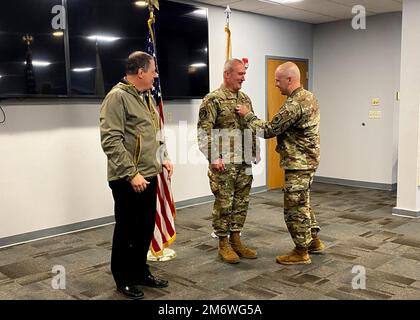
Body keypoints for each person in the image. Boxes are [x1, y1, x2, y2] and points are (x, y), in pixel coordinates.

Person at [100, 51, 173, 299]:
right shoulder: (117, 97)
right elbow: (111, 141)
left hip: (148, 175)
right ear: (140, 72)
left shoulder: (145, 97)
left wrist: (164, 158)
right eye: (153, 70)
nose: (156, 75)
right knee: (127, 230)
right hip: (127, 179)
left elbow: (153, 133)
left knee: (144, 228)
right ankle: (123, 278)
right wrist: (132, 174)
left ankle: (140, 271)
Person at [236, 61, 324, 265]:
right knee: (303, 202)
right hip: (308, 161)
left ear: (290, 80)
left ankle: (301, 252)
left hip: (298, 163)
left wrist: (247, 114)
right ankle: (313, 241)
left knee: (294, 208)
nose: (275, 84)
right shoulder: (308, 96)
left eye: (278, 80)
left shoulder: (294, 104)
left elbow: (268, 130)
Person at [197, 58, 260, 264]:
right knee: (224, 203)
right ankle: (223, 243)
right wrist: (213, 155)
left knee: (241, 203)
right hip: (223, 163)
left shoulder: (245, 98)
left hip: (244, 162)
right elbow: (203, 131)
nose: (244, 78)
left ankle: (236, 239)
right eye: (240, 74)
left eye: (244, 74)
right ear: (227, 74)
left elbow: (251, 126)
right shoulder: (212, 99)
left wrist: (255, 151)